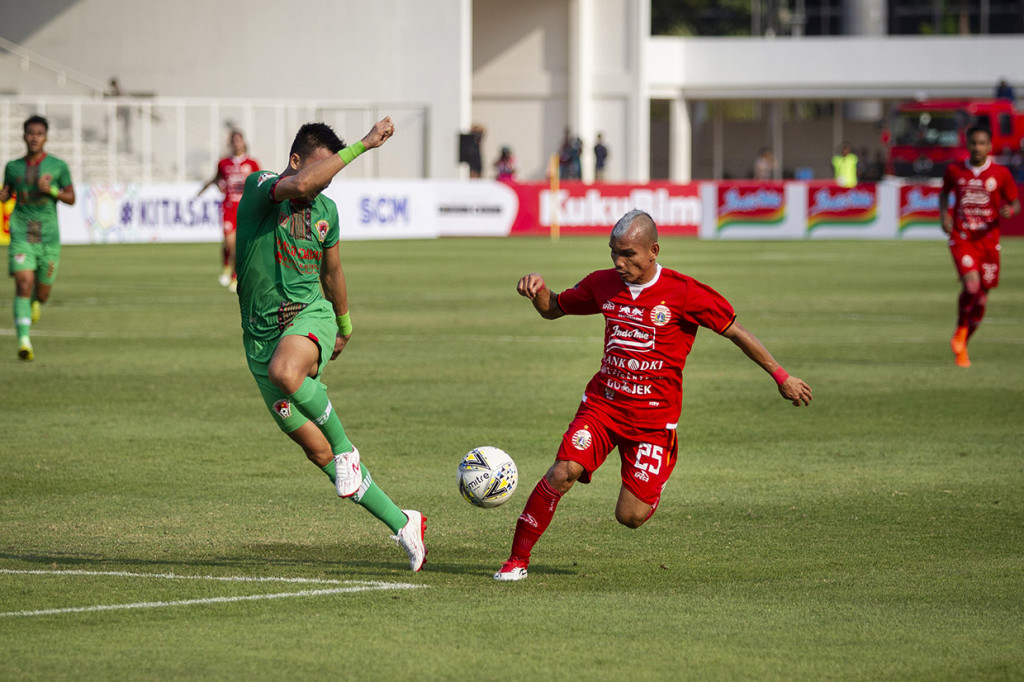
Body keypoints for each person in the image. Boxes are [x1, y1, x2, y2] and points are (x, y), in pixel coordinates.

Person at [494, 209, 813, 581]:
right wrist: (538, 290)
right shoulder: (602, 284)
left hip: (653, 422)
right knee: (563, 472)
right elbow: (554, 308)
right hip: (603, 406)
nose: (619, 261)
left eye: (628, 254)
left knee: (630, 517)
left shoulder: (685, 292)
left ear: (653, 251)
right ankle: (516, 561)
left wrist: (781, 376)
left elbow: (735, 331)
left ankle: (653, 482)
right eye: (614, 252)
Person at [234, 117, 426, 571]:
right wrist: (364, 145)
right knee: (317, 452)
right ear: (295, 160)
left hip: (308, 315)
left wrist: (343, 323)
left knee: (288, 374)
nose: (324, 183)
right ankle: (404, 523)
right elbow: (301, 183)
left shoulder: (326, 211)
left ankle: (347, 450)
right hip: (259, 340)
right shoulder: (261, 186)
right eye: (321, 171)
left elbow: (332, 270)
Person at [939, 125, 1020, 368]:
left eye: (982, 143)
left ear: (989, 146)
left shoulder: (1000, 173)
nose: (977, 147)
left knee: (982, 300)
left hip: (989, 242)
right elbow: (944, 193)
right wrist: (944, 215)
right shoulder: (955, 170)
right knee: (972, 287)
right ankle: (960, 328)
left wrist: (1010, 210)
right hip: (963, 237)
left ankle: (963, 342)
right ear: (967, 145)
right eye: (974, 143)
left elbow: (1015, 202)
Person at [1, 115, 75, 361]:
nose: (34, 138)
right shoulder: (12, 167)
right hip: (22, 233)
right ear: (24, 136)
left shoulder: (57, 166)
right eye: (30, 133)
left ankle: (34, 302)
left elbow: (71, 198)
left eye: (39, 133)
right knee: (23, 283)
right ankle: (24, 341)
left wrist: (52, 190)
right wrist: (4, 195)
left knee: (42, 294)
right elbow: (7, 191)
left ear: (46, 138)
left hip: (48, 238)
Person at [198, 130, 260, 291]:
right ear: (231, 143)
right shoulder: (224, 163)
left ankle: (235, 275)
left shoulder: (252, 163)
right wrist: (205, 189)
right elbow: (217, 178)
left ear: (243, 142)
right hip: (229, 209)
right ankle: (226, 265)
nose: (237, 144)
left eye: (239, 141)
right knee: (229, 243)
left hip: (246, 209)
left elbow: (260, 182)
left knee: (239, 245)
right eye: (234, 141)